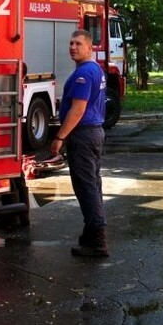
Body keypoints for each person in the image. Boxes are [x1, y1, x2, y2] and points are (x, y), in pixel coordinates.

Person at [49, 30, 109, 257]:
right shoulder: (95, 69)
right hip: (93, 133)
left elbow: (78, 109)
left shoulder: (83, 73)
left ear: (89, 47)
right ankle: (91, 233)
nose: (73, 47)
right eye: (71, 43)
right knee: (93, 184)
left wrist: (59, 138)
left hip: (83, 135)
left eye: (78, 44)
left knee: (85, 186)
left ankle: (97, 240)